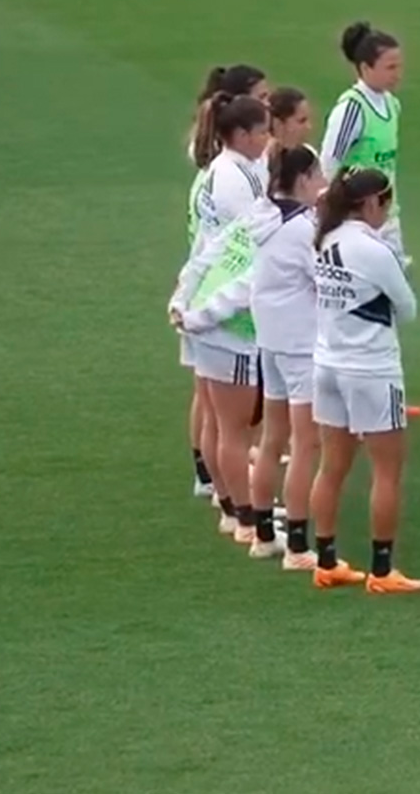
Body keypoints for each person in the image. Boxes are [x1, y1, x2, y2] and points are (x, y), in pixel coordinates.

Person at [308, 167, 420, 592]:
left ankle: (325, 559)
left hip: (327, 363)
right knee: (387, 471)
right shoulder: (375, 250)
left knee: (332, 467)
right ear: (371, 202)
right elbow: (408, 309)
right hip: (372, 368)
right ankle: (381, 570)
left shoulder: (325, 239)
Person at [181, 92, 272, 528]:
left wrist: (184, 299)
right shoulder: (236, 180)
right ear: (240, 135)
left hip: (211, 307)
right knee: (232, 425)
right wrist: (196, 311)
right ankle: (241, 512)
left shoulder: (226, 170)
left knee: (221, 419)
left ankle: (229, 501)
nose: (267, 139)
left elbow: (206, 249)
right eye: (262, 132)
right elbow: (246, 252)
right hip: (230, 320)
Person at [249, 145, 326, 571]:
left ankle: (263, 534)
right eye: (317, 177)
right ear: (301, 180)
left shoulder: (263, 218)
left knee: (272, 439)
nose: (322, 185)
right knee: (304, 445)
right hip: (300, 345)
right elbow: (323, 277)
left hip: (270, 341)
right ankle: (297, 546)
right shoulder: (301, 229)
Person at [320, 21, 406, 257]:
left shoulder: (392, 104)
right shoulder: (352, 109)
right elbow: (329, 161)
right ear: (366, 68)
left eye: (399, 66)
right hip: (356, 220)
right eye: (390, 67)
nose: (397, 74)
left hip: (386, 216)